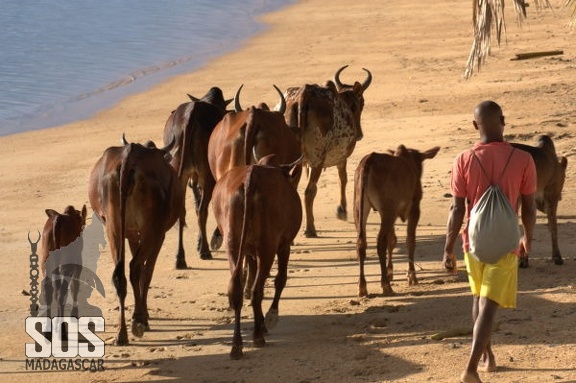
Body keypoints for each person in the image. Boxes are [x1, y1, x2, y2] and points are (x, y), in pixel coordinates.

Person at [442, 100, 537, 383]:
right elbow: (530, 208)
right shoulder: (523, 160)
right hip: (506, 242)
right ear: (503, 121)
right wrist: (527, 239)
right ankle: (471, 369)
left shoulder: (463, 159)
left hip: (472, 241)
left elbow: (456, 209)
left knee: (478, 299)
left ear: (475, 125)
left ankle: (488, 357)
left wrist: (448, 247)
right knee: (489, 303)